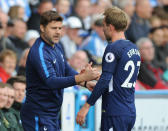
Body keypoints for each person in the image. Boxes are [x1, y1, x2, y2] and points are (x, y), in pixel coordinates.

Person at [20, 10, 100, 131]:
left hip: (52, 114)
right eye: (53, 28)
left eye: (60, 28)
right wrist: (82, 77)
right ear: (42, 27)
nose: (58, 32)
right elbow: (51, 81)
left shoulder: (56, 46)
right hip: (38, 114)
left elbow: (65, 69)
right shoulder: (39, 51)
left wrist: (84, 83)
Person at [76, 7, 141, 131]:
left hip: (114, 111)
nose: (103, 29)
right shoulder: (134, 48)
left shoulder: (113, 48)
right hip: (129, 110)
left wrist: (86, 106)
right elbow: (117, 80)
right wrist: (91, 82)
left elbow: (106, 79)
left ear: (111, 27)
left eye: (104, 26)